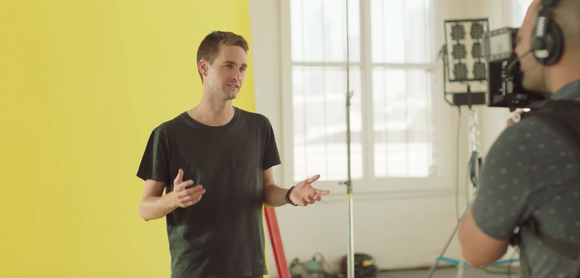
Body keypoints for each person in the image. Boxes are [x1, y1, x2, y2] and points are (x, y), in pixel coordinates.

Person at [136, 31, 330, 278]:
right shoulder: (167, 135)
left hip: (248, 268)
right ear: (204, 68)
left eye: (242, 68)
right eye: (228, 66)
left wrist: (291, 194)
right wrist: (173, 200)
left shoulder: (258, 127)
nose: (237, 75)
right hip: (194, 271)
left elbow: (266, 190)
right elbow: (145, 208)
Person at [457, 0, 580, 277]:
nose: (515, 51)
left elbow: (477, 253)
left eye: (521, 38)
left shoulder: (528, 143)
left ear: (546, 42)